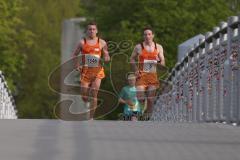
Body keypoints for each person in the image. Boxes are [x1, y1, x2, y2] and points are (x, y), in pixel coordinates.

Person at [72, 21, 110, 120]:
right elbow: (75, 55)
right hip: (86, 71)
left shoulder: (102, 42)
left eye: (93, 29)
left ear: (96, 31)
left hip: (98, 70)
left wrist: (106, 57)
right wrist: (76, 65)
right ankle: (87, 100)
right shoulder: (82, 42)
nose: (92, 31)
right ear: (87, 31)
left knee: (94, 92)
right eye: (90, 29)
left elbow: (106, 54)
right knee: (84, 96)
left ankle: (91, 117)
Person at [130, 26, 165, 118]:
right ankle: (139, 112)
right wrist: (135, 70)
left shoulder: (159, 47)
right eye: (145, 34)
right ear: (143, 36)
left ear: (153, 35)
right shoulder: (138, 47)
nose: (147, 36)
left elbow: (163, 62)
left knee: (150, 98)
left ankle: (149, 117)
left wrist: (159, 62)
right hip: (141, 76)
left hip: (152, 76)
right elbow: (132, 59)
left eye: (149, 34)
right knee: (141, 98)